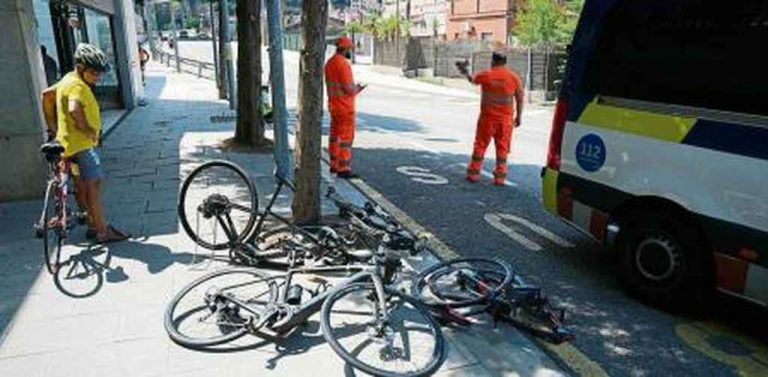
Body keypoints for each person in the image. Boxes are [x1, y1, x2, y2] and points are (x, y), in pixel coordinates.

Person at [40, 43, 130, 243]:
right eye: (94, 72)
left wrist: (53, 128)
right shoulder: (78, 86)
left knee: (80, 185)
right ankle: (102, 231)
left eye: (100, 73)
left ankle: (90, 223)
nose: (98, 77)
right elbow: (74, 109)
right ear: (81, 68)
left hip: (66, 144)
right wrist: (89, 130)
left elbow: (46, 95)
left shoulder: (67, 79)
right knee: (94, 185)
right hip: (81, 145)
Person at [457, 51, 524, 185]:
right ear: (505, 62)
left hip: (487, 119)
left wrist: (465, 71)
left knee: (480, 145)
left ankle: (473, 174)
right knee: (502, 148)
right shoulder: (513, 78)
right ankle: (500, 177)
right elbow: (520, 98)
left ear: (493, 61)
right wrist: (519, 117)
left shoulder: (486, 75)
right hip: (505, 121)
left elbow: (472, 80)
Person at [324, 36, 366, 179]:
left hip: (334, 106)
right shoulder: (343, 64)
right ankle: (343, 168)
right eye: (350, 49)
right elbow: (348, 88)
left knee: (335, 137)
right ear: (345, 49)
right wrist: (358, 88)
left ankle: (334, 164)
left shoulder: (329, 63)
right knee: (346, 138)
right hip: (345, 108)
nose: (350, 52)